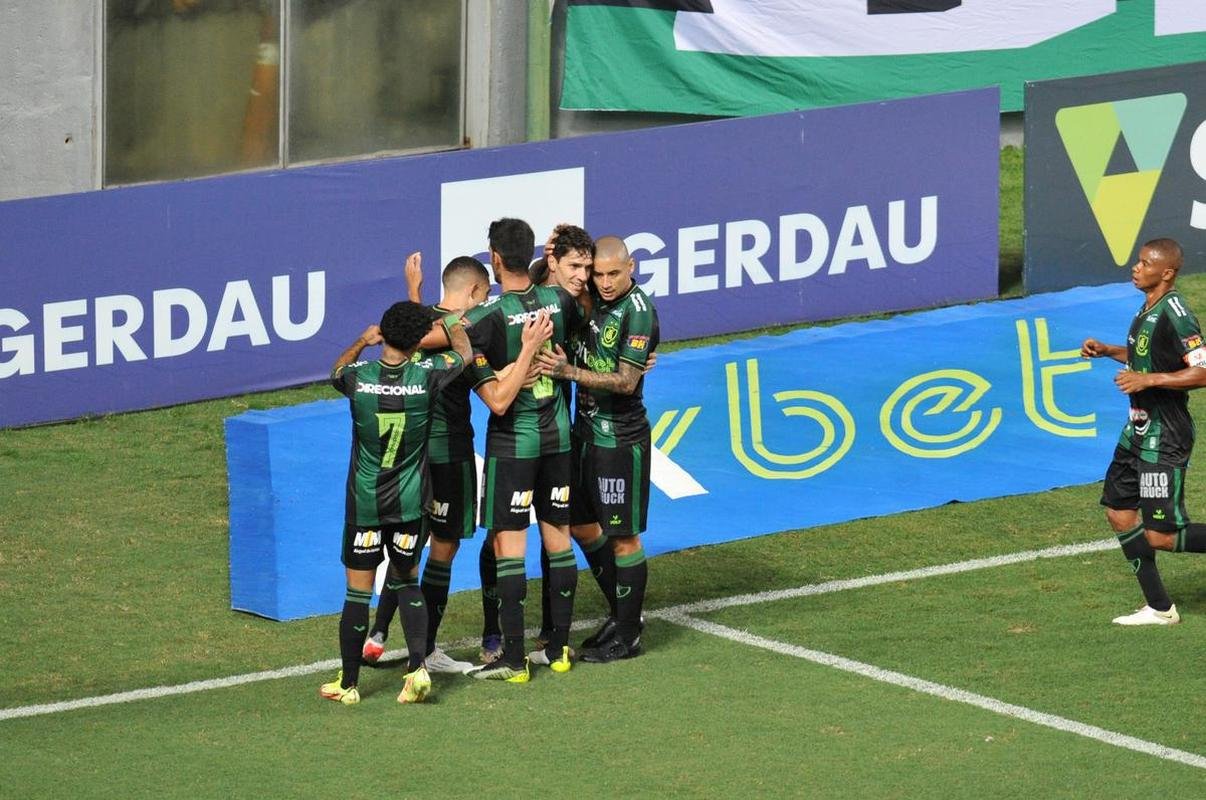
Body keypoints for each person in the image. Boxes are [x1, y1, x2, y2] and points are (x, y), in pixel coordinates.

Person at [362, 254, 550, 671]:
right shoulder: (463, 327)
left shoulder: (416, 322)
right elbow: (487, 381)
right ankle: (425, 650)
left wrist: (413, 290)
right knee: (443, 549)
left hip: (408, 456)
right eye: (484, 295)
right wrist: (519, 366)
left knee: (407, 544)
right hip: (448, 453)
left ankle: (377, 634)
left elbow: (415, 329)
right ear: (474, 292)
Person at [424, 217, 583, 681]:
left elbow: (493, 397)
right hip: (559, 438)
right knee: (559, 541)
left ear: (493, 260)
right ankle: (558, 649)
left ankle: (514, 660)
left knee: (508, 545)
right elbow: (569, 344)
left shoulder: (479, 320)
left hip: (514, 445)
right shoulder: (561, 300)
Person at [319, 300, 471, 705]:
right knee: (407, 580)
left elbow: (335, 371)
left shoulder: (358, 376)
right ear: (420, 341)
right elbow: (464, 354)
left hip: (366, 502)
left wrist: (361, 342)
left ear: (382, 333)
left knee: (357, 592)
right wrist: (452, 319)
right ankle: (418, 671)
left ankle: (349, 685)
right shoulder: (427, 376)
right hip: (409, 503)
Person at [538, 235, 658, 660]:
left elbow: (627, 382)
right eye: (596, 273)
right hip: (585, 435)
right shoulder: (592, 298)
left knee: (623, 537)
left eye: (612, 273)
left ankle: (629, 636)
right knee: (582, 524)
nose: (603, 282)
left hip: (619, 441)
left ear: (631, 266)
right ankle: (623, 613)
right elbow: (542, 279)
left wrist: (568, 371)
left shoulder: (638, 313)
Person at [1082, 238, 1206, 625]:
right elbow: (1144, 356)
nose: (1136, 268)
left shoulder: (1177, 313)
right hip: (1136, 432)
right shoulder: (1148, 308)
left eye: (1144, 263)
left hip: (1164, 437)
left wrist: (1147, 380)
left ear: (1166, 272)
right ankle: (1159, 608)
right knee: (1119, 514)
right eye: (1137, 261)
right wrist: (1108, 351)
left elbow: (1202, 371)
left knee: (1160, 535)